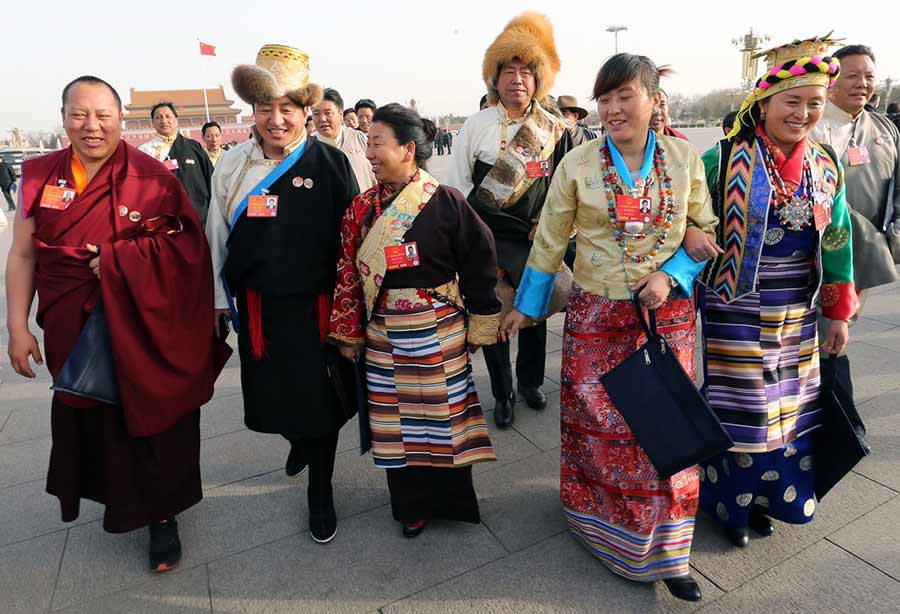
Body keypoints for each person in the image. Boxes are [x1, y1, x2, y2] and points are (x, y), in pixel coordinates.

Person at [501, 53, 718, 601]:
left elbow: (704, 228)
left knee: (663, 431)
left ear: (652, 99)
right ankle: (599, 526)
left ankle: (671, 551)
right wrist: (526, 307)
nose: (614, 109)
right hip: (596, 315)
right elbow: (550, 239)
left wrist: (673, 273)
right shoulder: (577, 163)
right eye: (605, 99)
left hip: (663, 318)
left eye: (626, 96)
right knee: (601, 428)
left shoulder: (683, 157)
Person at [6, 75, 222, 573]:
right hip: (71, 321)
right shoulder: (38, 175)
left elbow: (187, 250)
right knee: (92, 413)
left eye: (103, 115)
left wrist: (121, 261)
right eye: (79, 115)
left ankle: (162, 515)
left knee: (150, 414)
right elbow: (21, 255)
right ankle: (116, 497)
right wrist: (18, 328)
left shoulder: (151, 176)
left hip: (141, 324)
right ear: (63, 119)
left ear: (121, 118)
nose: (92, 126)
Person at [698, 36, 857, 550]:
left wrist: (838, 312)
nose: (803, 112)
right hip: (734, 305)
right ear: (763, 103)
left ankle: (771, 501)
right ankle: (729, 505)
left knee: (791, 408)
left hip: (797, 306)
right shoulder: (720, 160)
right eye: (792, 101)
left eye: (814, 102)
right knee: (743, 409)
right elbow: (690, 225)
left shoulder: (826, 164)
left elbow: (837, 238)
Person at [207, 44, 360, 544]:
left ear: (304, 112)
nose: (277, 120)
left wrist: (352, 311)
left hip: (318, 310)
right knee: (274, 401)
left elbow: (355, 241)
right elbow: (216, 237)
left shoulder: (332, 163)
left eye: (288, 108)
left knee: (323, 403)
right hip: (259, 313)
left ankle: (321, 489)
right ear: (252, 111)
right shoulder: (231, 167)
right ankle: (298, 440)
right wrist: (215, 304)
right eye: (266, 108)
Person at [328, 103, 500, 537]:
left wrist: (481, 319)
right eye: (368, 143)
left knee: (445, 420)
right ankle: (411, 506)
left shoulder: (446, 203)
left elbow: (480, 260)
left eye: (378, 143)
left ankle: (452, 501)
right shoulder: (360, 210)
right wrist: (348, 332)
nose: (370, 152)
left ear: (408, 149)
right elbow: (347, 271)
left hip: (440, 332)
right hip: (384, 334)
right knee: (397, 426)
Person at [446, 11, 573, 428]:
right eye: (508, 71)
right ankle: (502, 393)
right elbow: (459, 184)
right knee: (492, 315)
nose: (516, 79)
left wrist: (551, 225)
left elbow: (567, 187)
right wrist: (473, 235)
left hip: (537, 236)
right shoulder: (475, 126)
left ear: (538, 80)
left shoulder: (555, 128)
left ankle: (531, 382)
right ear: (494, 79)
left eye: (525, 71)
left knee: (534, 310)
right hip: (487, 237)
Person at [812, 44, 900, 446]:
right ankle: (828, 413)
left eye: (868, 76)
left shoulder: (883, 129)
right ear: (831, 81)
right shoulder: (810, 123)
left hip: (861, 254)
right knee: (820, 334)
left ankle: (832, 415)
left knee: (837, 330)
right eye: (853, 75)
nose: (863, 84)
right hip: (811, 257)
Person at [138, 102, 214, 226]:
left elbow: (210, 178)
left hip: (200, 218)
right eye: (158, 117)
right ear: (153, 122)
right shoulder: (145, 151)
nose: (164, 121)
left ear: (176, 119)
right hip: (165, 220)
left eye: (168, 116)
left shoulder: (193, 147)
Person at [313, 88, 376, 191]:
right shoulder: (307, 147)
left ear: (341, 114)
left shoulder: (360, 139)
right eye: (316, 114)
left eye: (328, 113)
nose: (322, 119)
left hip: (365, 205)